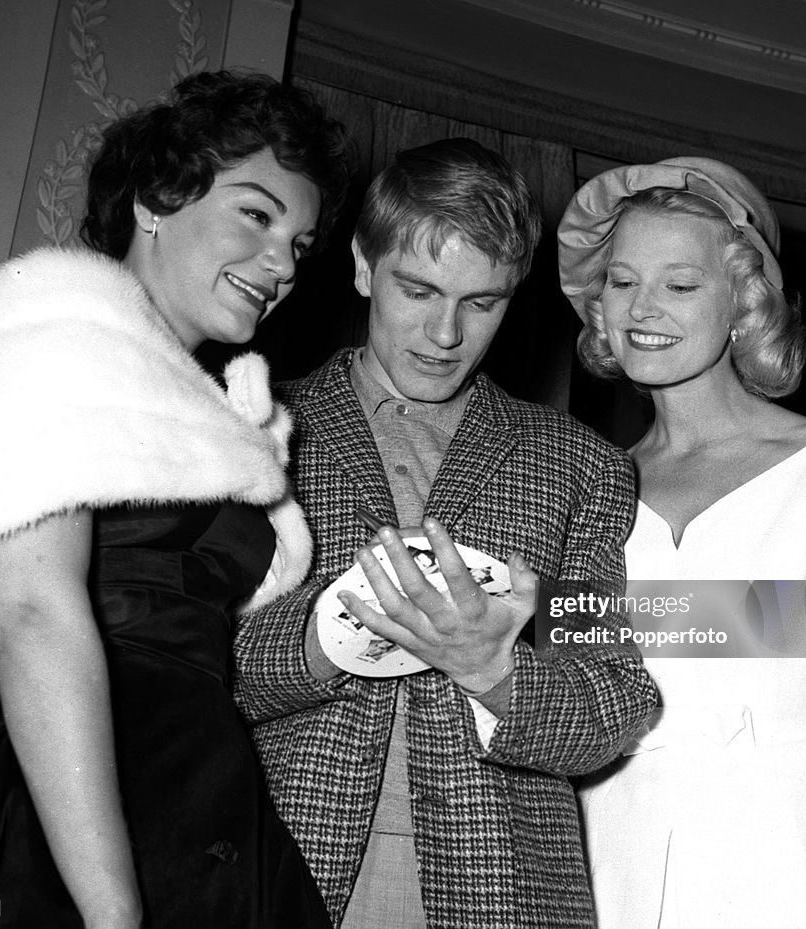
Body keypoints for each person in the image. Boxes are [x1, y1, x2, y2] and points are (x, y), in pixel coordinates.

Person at [0, 71, 350, 928]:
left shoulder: (217, 412)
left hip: (199, 780)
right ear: (160, 195)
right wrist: (112, 910)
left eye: (300, 245)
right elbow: (35, 613)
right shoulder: (50, 331)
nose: (281, 264)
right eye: (257, 215)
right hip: (56, 785)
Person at [233, 138, 657, 929]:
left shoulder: (583, 467)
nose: (445, 333)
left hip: (505, 890)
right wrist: (326, 634)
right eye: (418, 290)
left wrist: (494, 670)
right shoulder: (254, 429)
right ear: (363, 265)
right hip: (275, 868)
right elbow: (182, 671)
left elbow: (614, 701)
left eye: (481, 302)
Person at [558, 156, 806, 928]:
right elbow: (563, 689)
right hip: (614, 855)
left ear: (742, 301)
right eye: (623, 280)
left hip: (805, 855)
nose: (643, 307)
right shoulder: (579, 482)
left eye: (680, 283)